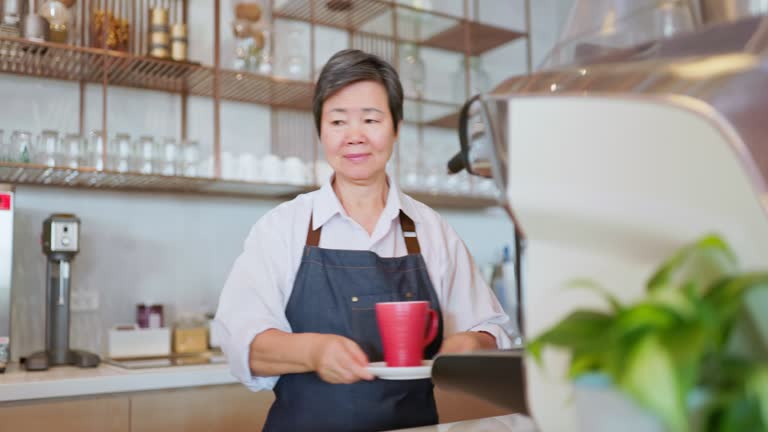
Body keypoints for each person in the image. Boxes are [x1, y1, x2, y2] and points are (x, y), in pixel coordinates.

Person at [214, 49, 512, 432]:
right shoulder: (282, 226)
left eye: (371, 119)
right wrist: (314, 351)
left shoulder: (430, 229)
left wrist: (473, 345)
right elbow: (242, 342)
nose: (354, 136)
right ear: (320, 130)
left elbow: (492, 329)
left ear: (396, 127)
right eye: (338, 121)